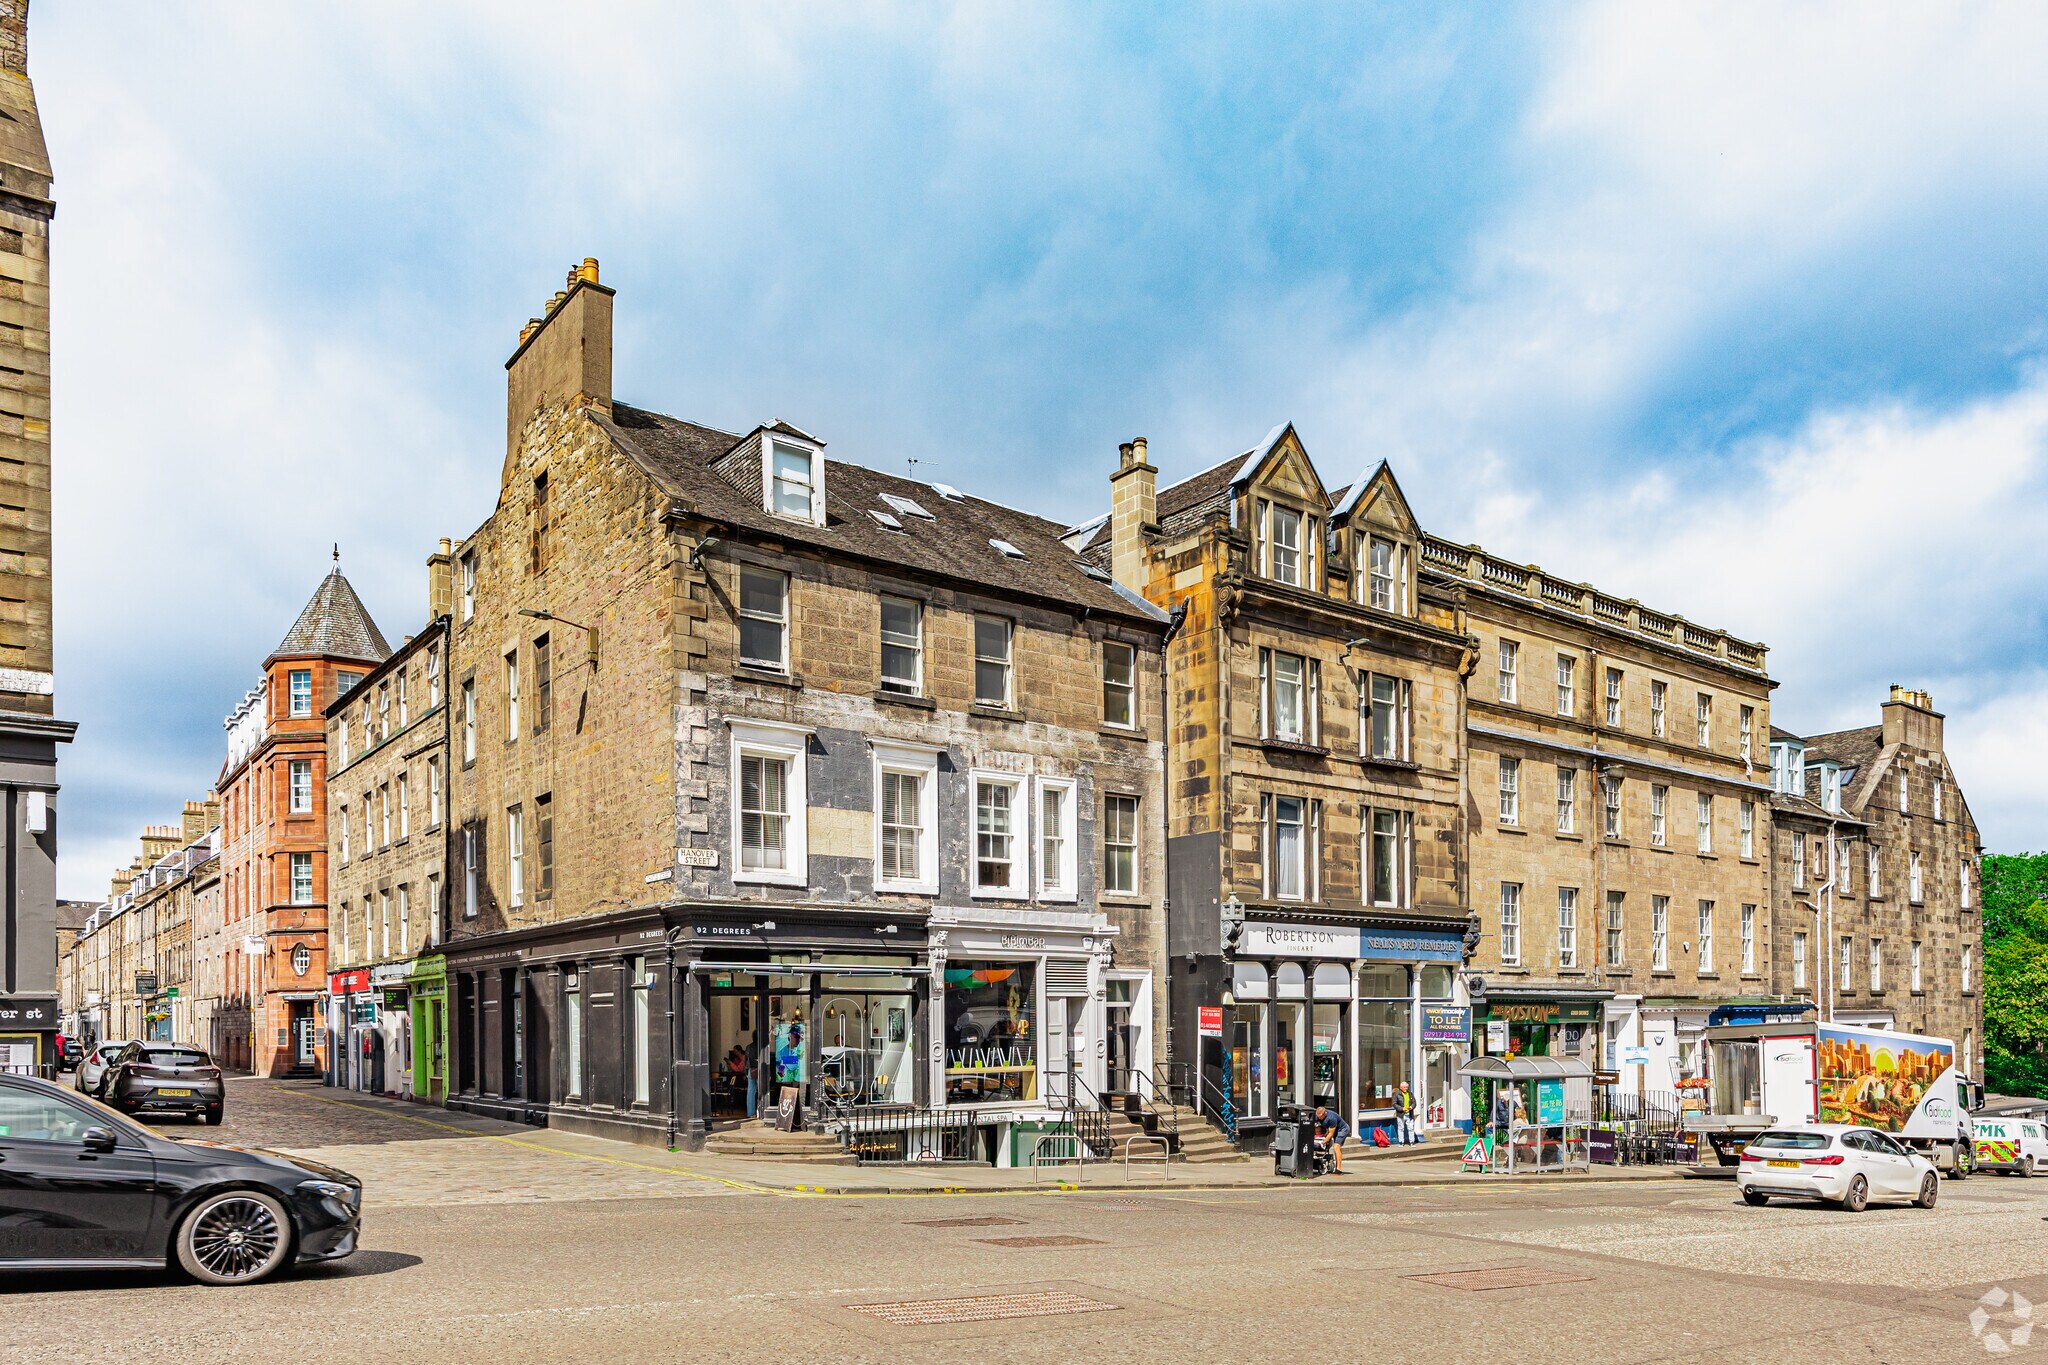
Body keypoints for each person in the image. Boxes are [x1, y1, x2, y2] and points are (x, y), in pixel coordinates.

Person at [1312, 1103, 1349, 1174]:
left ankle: (1339, 1169)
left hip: (1342, 1129)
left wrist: (1322, 1143)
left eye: (1320, 1117)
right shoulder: (1316, 1115)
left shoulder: (1331, 1118)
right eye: (1318, 1117)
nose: (1319, 1119)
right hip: (1331, 1129)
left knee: (1336, 1147)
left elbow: (1331, 1133)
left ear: (1325, 1113)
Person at [1394, 1080, 1421, 1145]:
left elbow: (1414, 1102)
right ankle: (1401, 1142)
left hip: (1409, 1113)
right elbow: (1394, 1104)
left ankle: (1412, 1142)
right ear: (1401, 1087)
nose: (1406, 1088)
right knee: (1401, 1128)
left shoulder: (1410, 1094)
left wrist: (1411, 1107)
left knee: (1411, 1128)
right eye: (1404, 1087)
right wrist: (1401, 1108)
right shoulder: (1397, 1094)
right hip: (1401, 1114)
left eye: (1407, 1087)